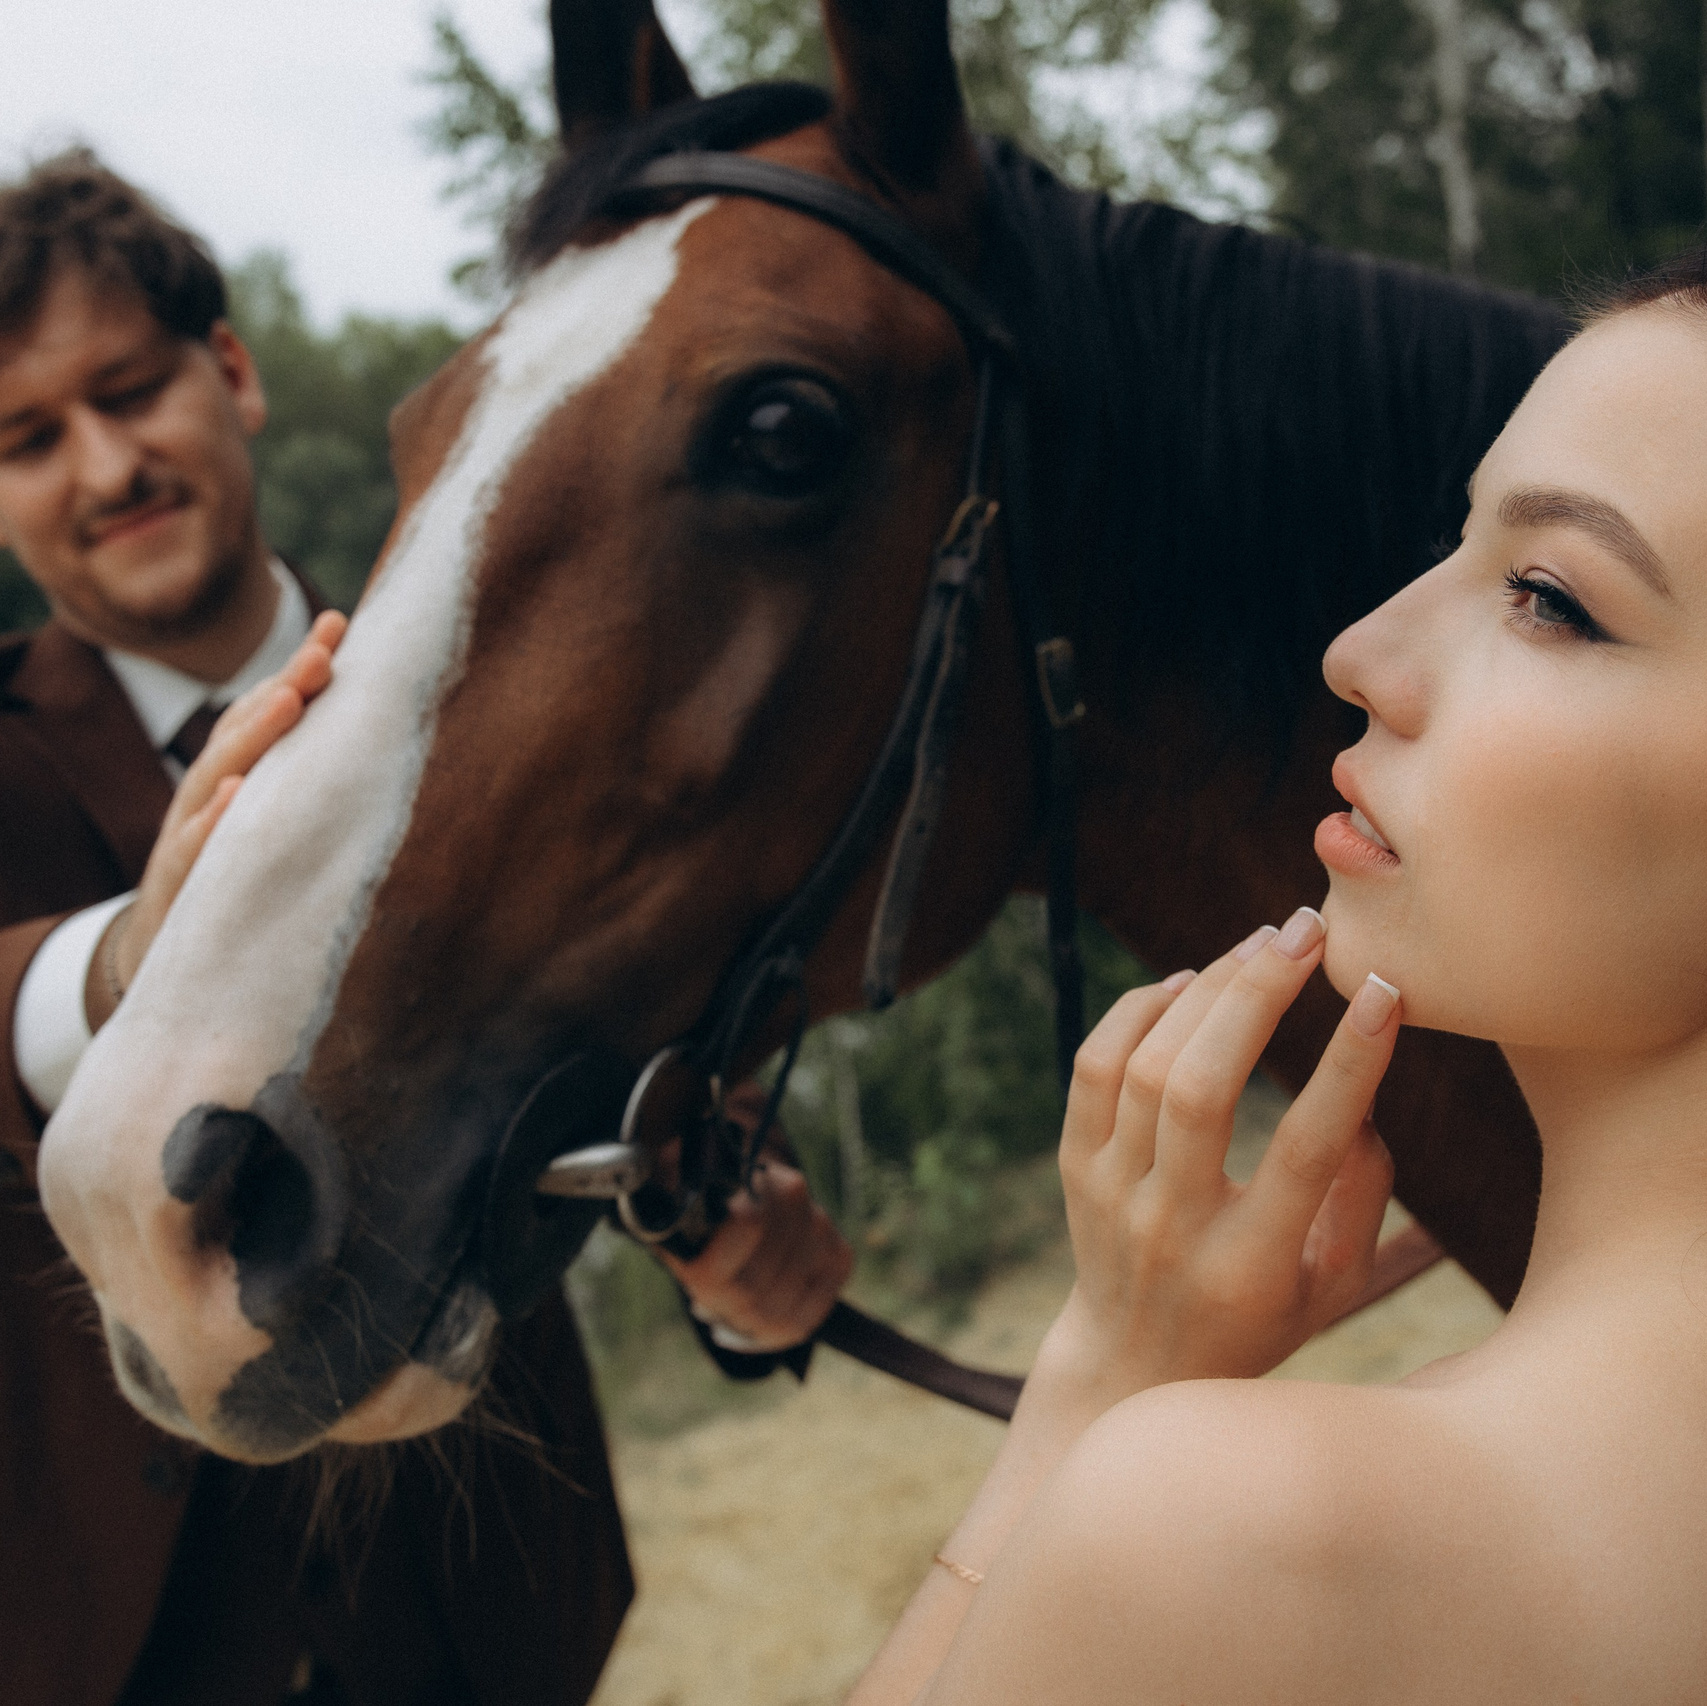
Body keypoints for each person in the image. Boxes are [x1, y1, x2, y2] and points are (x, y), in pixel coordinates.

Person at [0, 151, 850, 1706]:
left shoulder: (512, 681)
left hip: (495, 1636)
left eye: (131, 390)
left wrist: (736, 1262)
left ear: (235, 372)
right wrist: (128, 959)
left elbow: (655, 1045)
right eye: (29, 437)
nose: (106, 463)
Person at [850, 244, 1707, 1705]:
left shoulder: (1245, 1546)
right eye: (1460, 545)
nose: (1360, 652)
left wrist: (1093, 1392)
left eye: (1552, 598)